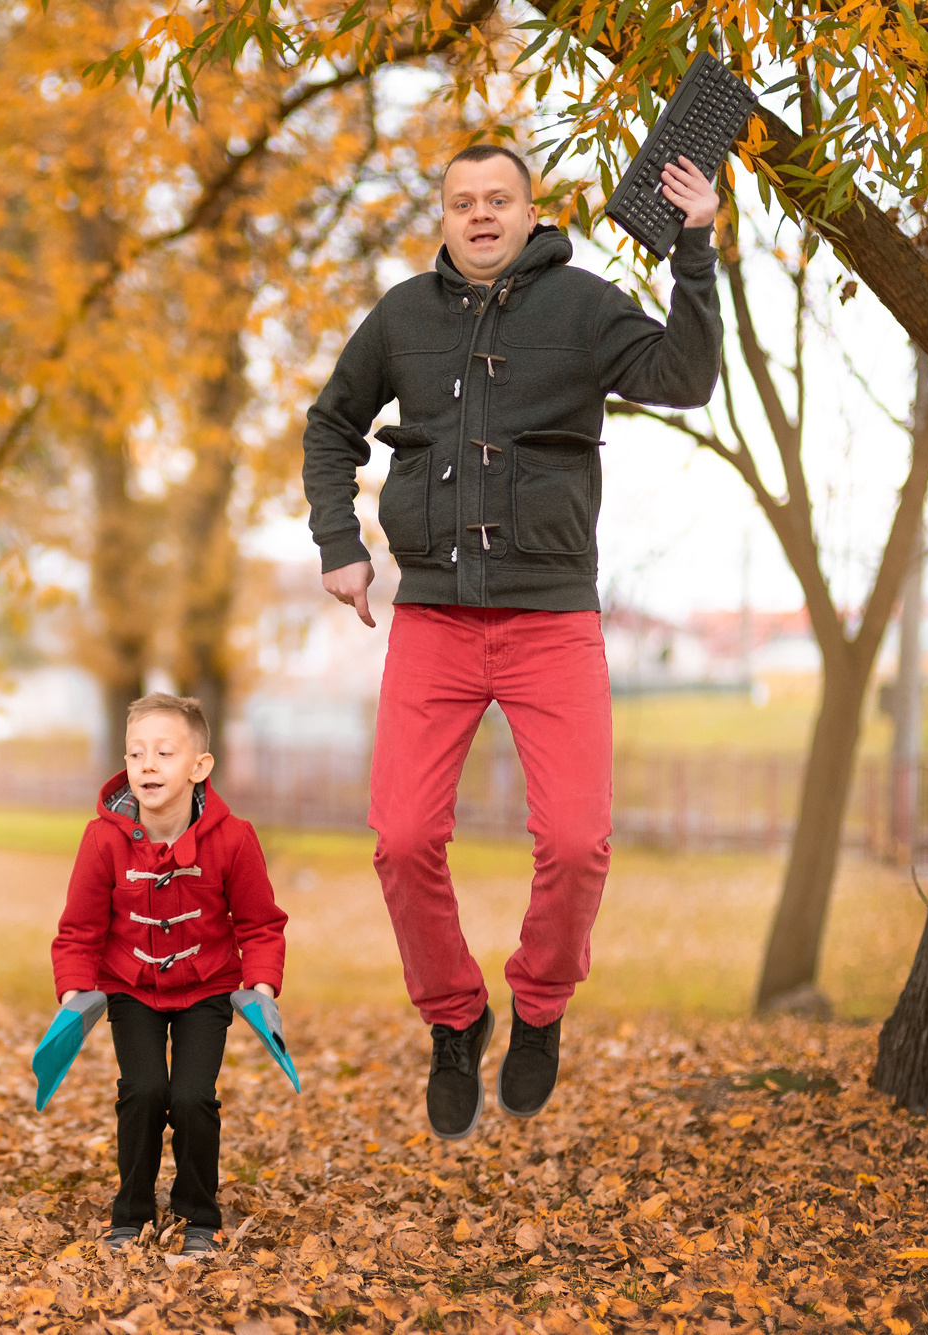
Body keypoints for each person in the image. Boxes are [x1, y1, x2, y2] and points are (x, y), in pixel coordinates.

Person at [301, 144, 723, 1140]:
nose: (479, 215)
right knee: (401, 842)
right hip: (433, 620)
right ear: (443, 218)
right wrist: (337, 542)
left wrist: (694, 245)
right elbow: (330, 425)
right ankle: (454, 1019)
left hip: (549, 620)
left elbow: (685, 376)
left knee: (575, 845)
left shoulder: (582, 304)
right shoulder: (401, 316)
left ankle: (537, 1006)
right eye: (460, 203)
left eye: (497, 200)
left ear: (531, 213)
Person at [51, 694, 288, 1255]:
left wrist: (261, 986)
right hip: (130, 988)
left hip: (206, 989)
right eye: (136, 754)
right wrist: (72, 992)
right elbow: (79, 930)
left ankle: (199, 1215)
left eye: (164, 752)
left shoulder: (235, 839)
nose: (148, 765)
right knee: (143, 1091)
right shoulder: (102, 840)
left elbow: (260, 924)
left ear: (199, 767)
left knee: (190, 1098)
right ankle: (130, 1213)